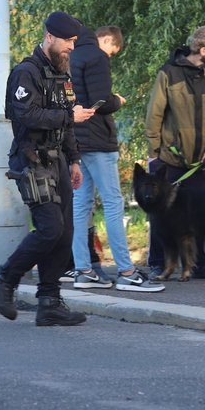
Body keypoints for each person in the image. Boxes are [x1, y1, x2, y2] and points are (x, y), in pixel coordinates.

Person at [0, 11, 96, 326]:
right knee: (50, 229)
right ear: (50, 37)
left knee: (64, 234)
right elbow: (27, 116)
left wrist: (74, 159)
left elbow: (67, 115)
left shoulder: (60, 73)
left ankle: (49, 302)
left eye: (74, 42)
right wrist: (68, 118)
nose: (72, 48)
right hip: (31, 159)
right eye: (68, 42)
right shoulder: (26, 73)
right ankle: (5, 279)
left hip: (58, 160)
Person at [70, 24, 164, 292]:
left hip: (75, 139)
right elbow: (101, 101)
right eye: (113, 50)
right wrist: (117, 101)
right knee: (113, 203)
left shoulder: (72, 55)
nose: (110, 56)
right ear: (107, 40)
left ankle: (83, 271)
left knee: (81, 205)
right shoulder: (96, 56)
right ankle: (127, 271)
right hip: (98, 140)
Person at [145, 26, 205, 280]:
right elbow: (154, 114)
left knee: (198, 214)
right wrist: (153, 152)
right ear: (202, 50)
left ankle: (199, 265)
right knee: (162, 213)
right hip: (169, 158)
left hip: (198, 160)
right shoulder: (169, 73)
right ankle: (158, 262)